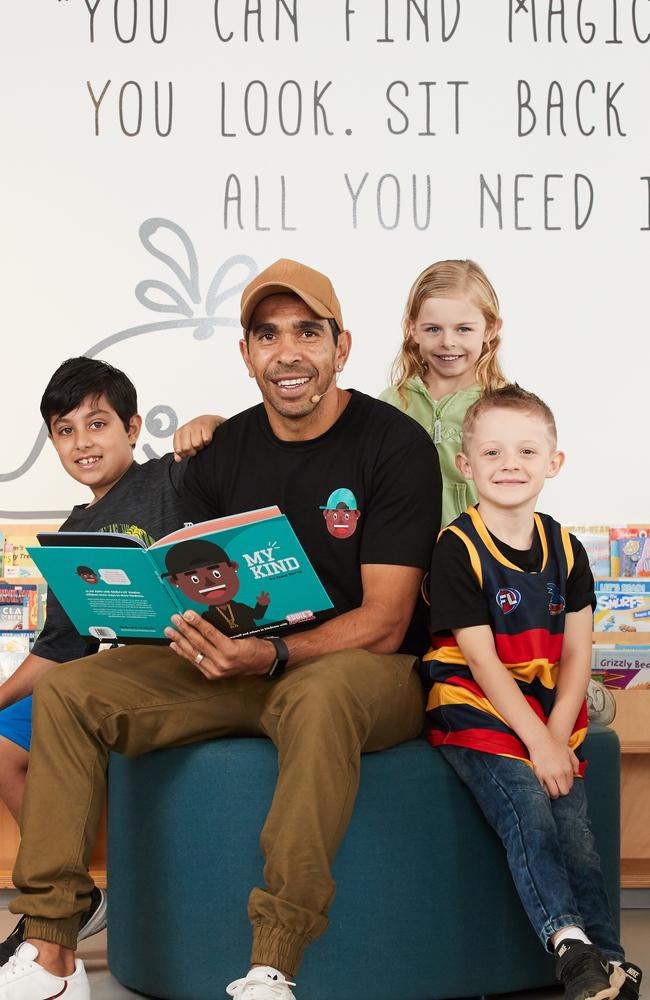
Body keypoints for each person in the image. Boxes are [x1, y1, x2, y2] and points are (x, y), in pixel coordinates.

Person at [2, 260, 440, 1000]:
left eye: (308, 332)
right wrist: (155, 612)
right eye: (267, 335)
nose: (288, 352)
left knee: (319, 694)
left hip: (365, 671)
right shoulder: (224, 449)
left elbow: (388, 618)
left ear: (342, 346)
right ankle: (51, 952)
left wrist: (268, 652)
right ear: (246, 355)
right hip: (238, 663)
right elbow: (187, 574)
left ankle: (275, 962)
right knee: (74, 692)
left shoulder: (393, 444)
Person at [422, 384, 641, 1000]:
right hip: (477, 708)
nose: (509, 464)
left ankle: (610, 962)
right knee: (527, 810)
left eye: (525, 450)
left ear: (554, 462)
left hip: (546, 713)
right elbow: (482, 660)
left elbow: (577, 654)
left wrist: (557, 734)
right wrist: (537, 746)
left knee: (576, 828)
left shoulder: (566, 548)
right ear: (466, 467)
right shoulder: (456, 547)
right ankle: (568, 945)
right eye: (491, 453)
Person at [0, 356, 220, 965]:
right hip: (95, 675)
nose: (82, 442)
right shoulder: (74, 532)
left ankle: (69, 906)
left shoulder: (170, 479)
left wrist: (214, 423)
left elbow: (244, 462)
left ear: (132, 427)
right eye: (65, 431)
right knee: (2, 745)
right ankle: (72, 900)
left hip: (178, 668)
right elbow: (58, 646)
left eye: (96, 424)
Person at [379, 258, 506, 528]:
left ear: (490, 329)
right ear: (413, 329)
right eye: (434, 329)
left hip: (476, 553)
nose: (448, 342)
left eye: (463, 329)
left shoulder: (506, 408)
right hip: (404, 551)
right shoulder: (390, 404)